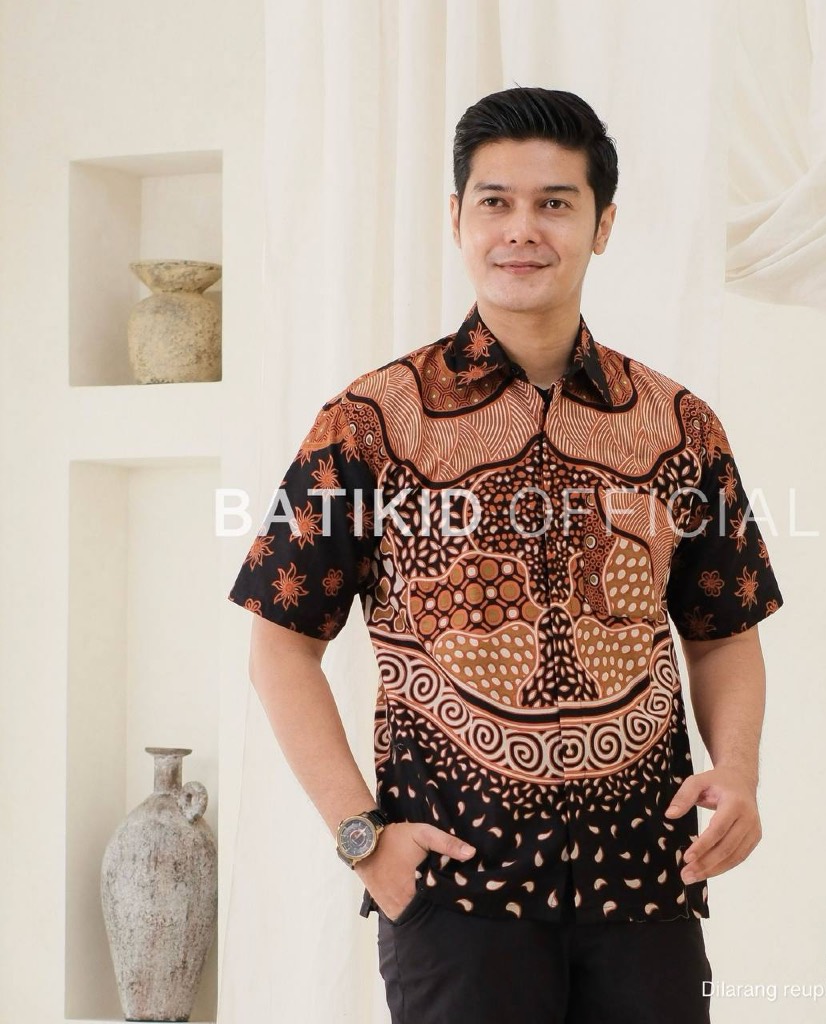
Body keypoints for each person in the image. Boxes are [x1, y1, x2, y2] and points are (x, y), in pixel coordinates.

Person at [229, 85, 784, 1024]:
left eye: (554, 203)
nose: (522, 229)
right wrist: (362, 836)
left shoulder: (678, 426)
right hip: (455, 893)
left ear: (603, 225)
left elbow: (723, 629)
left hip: (648, 882)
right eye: (496, 201)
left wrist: (739, 772)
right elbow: (280, 644)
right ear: (457, 218)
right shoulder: (372, 423)